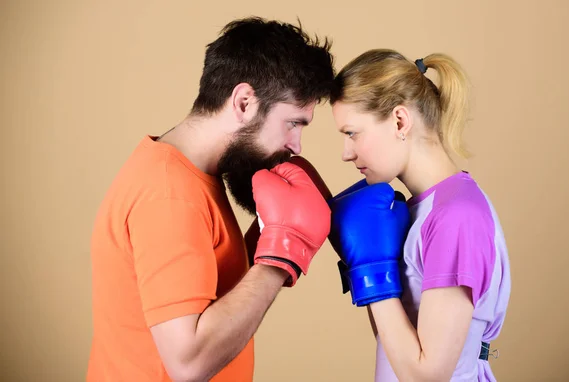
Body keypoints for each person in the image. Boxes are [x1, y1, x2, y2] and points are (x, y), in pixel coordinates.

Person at [86, 17, 335, 382]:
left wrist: (264, 236)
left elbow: (208, 293)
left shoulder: (191, 177)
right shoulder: (170, 195)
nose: (296, 146)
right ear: (245, 102)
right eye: (293, 123)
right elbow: (189, 364)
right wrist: (282, 253)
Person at [326, 49, 512, 381]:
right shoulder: (419, 211)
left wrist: (369, 269)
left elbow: (427, 376)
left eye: (352, 133)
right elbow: (395, 349)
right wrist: (365, 265)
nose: (346, 153)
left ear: (400, 120)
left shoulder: (457, 217)